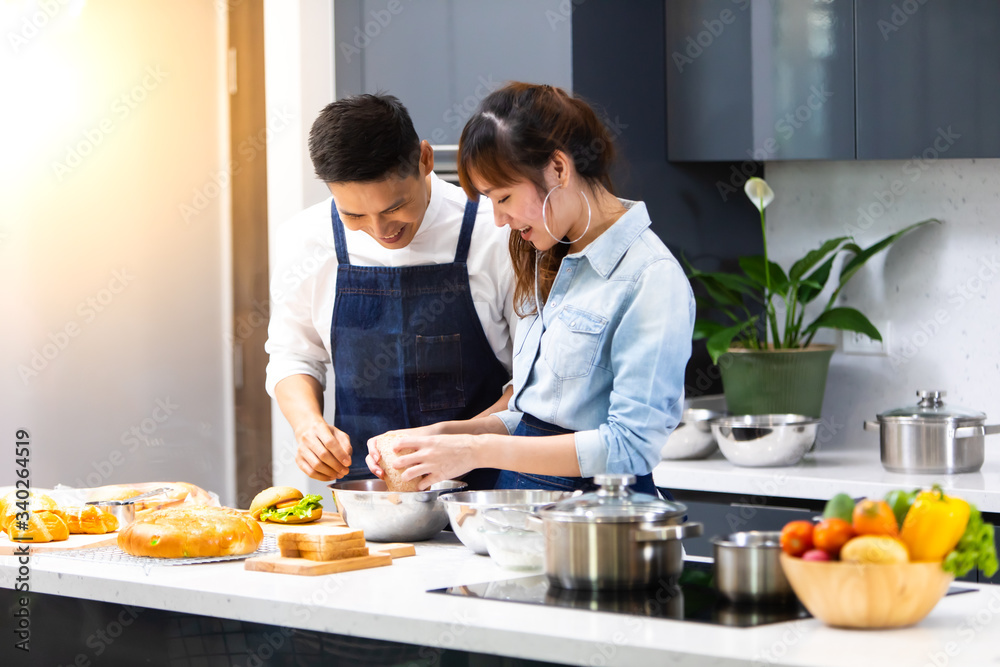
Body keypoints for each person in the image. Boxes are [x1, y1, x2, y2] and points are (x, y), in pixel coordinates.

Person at [366, 83, 694, 495]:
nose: (499, 220)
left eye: (503, 197)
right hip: (524, 515)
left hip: (601, 529)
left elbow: (629, 447)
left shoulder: (650, 276)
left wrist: (477, 450)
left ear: (558, 168)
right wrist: (442, 437)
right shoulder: (548, 254)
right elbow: (533, 416)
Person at [265, 93, 517, 483]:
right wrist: (308, 427)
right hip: (369, 497)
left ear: (425, 160)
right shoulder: (305, 239)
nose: (381, 231)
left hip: (486, 494)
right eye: (353, 214)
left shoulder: (495, 231)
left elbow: (533, 381)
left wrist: (456, 444)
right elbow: (293, 356)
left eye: (394, 208)